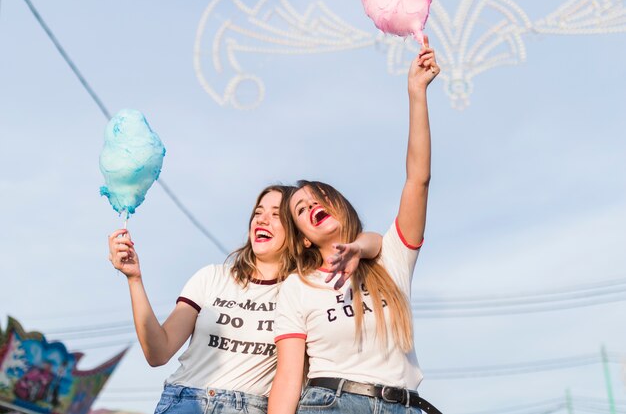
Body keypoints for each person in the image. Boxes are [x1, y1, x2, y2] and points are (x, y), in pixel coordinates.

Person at [268, 38, 442, 414]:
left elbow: (418, 180)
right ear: (304, 239)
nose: (312, 204)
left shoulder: (391, 257)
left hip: (405, 404)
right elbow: (287, 376)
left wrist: (416, 93)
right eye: (301, 208)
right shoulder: (297, 288)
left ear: (339, 205)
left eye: (319, 197)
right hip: (333, 403)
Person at [107, 184, 382, 414]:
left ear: (298, 232)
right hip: (186, 402)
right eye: (258, 212)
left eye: (276, 215)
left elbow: (376, 242)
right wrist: (134, 279)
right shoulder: (212, 277)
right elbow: (158, 352)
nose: (262, 220)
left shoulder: (303, 291)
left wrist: (356, 248)